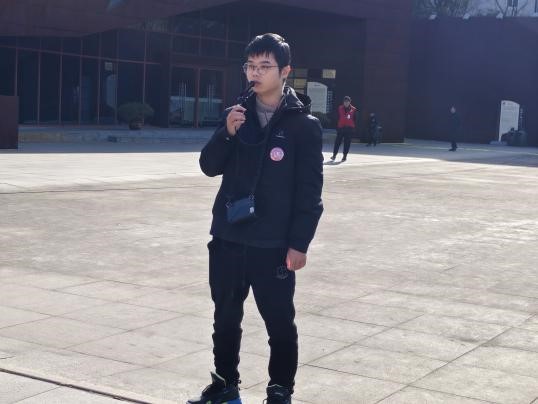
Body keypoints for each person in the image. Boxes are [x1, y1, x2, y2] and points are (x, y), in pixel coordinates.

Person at [190, 33, 324, 404]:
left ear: (285, 71)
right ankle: (224, 384)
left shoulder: (303, 126)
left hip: (273, 245)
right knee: (224, 318)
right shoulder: (236, 115)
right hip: (229, 238)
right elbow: (208, 166)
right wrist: (226, 133)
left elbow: (310, 193)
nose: (255, 73)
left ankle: (279, 389)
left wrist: (299, 243)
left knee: (279, 322)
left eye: (265, 66)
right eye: (250, 66)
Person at [330, 96, 358, 162]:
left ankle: (344, 156)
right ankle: (334, 155)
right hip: (341, 128)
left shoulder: (354, 109)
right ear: (343, 102)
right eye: (345, 101)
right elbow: (336, 117)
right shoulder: (339, 108)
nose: (346, 103)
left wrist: (353, 127)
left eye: (347, 101)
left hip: (349, 129)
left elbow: (355, 119)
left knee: (347, 143)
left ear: (350, 102)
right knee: (337, 142)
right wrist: (337, 127)